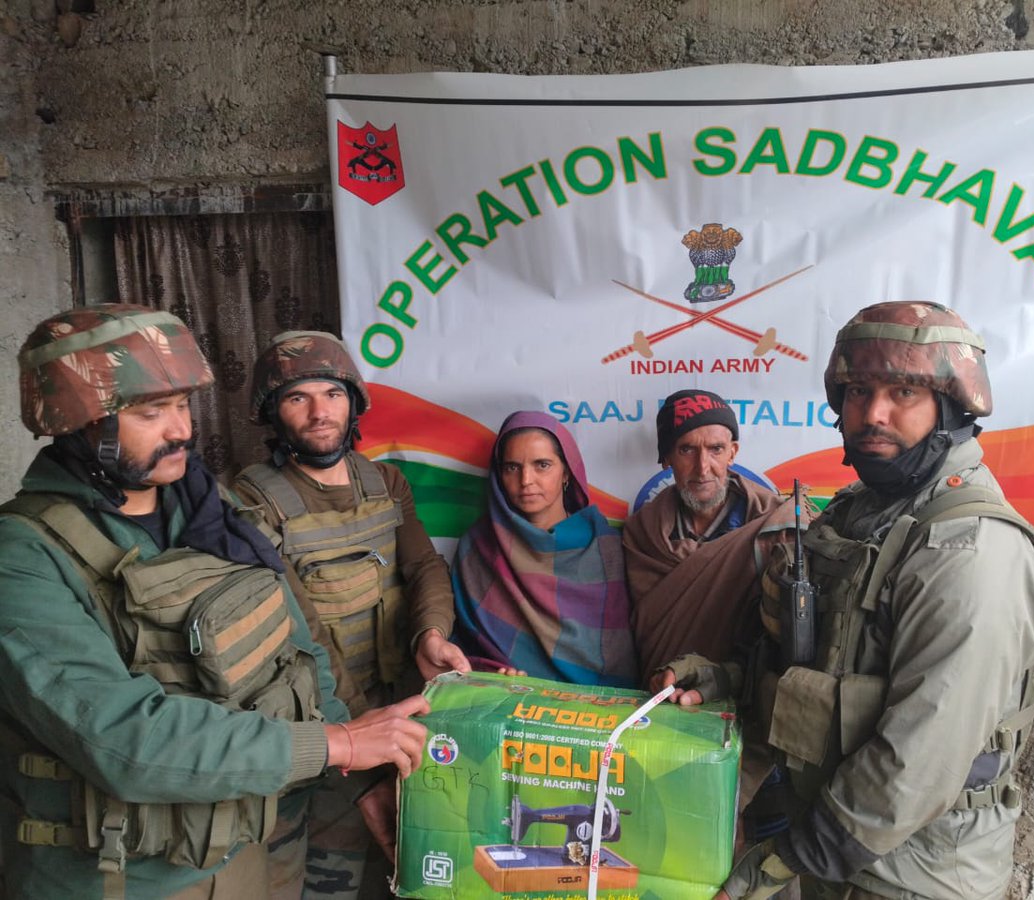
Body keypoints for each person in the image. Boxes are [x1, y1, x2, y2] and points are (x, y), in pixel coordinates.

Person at [0, 304, 430, 900]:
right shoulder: (23, 555)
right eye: (152, 412)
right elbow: (121, 738)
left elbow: (296, 648)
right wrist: (340, 744)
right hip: (122, 878)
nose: (181, 430)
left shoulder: (209, 510)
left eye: (181, 406)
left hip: (247, 850)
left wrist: (356, 776)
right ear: (81, 424)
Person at [702, 301, 1034, 900]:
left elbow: (923, 754)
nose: (873, 414)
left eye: (904, 392)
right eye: (859, 391)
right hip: (836, 848)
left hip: (912, 875)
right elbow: (826, 664)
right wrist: (722, 680)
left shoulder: (971, 547)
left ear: (952, 407)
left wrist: (790, 858)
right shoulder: (864, 510)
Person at [233, 330, 468, 898]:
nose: (319, 412)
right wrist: (362, 760)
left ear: (353, 401)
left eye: (332, 394)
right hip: (319, 728)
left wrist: (430, 634)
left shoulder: (383, 482)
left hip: (399, 713)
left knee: (410, 872)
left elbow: (426, 568)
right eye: (298, 398)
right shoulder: (249, 500)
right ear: (273, 412)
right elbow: (297, 632)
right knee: (324, 881)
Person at [623, 388, 799, 686]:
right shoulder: (643, 533)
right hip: (659, 693)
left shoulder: (776, 525)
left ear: (733, 452)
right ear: (666, 458)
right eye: (687, 450)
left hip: (747, 692)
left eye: (716, 449)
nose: (703, 468)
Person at [450, 410, 637, 686]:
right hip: (508, 705)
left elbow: (620, 650)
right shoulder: (479, 548)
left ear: (566, 473)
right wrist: (489, 671)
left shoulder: (606, 547)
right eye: (512, 467)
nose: (526, 480)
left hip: (601, 710)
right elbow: (462, 646)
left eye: (542, 465)